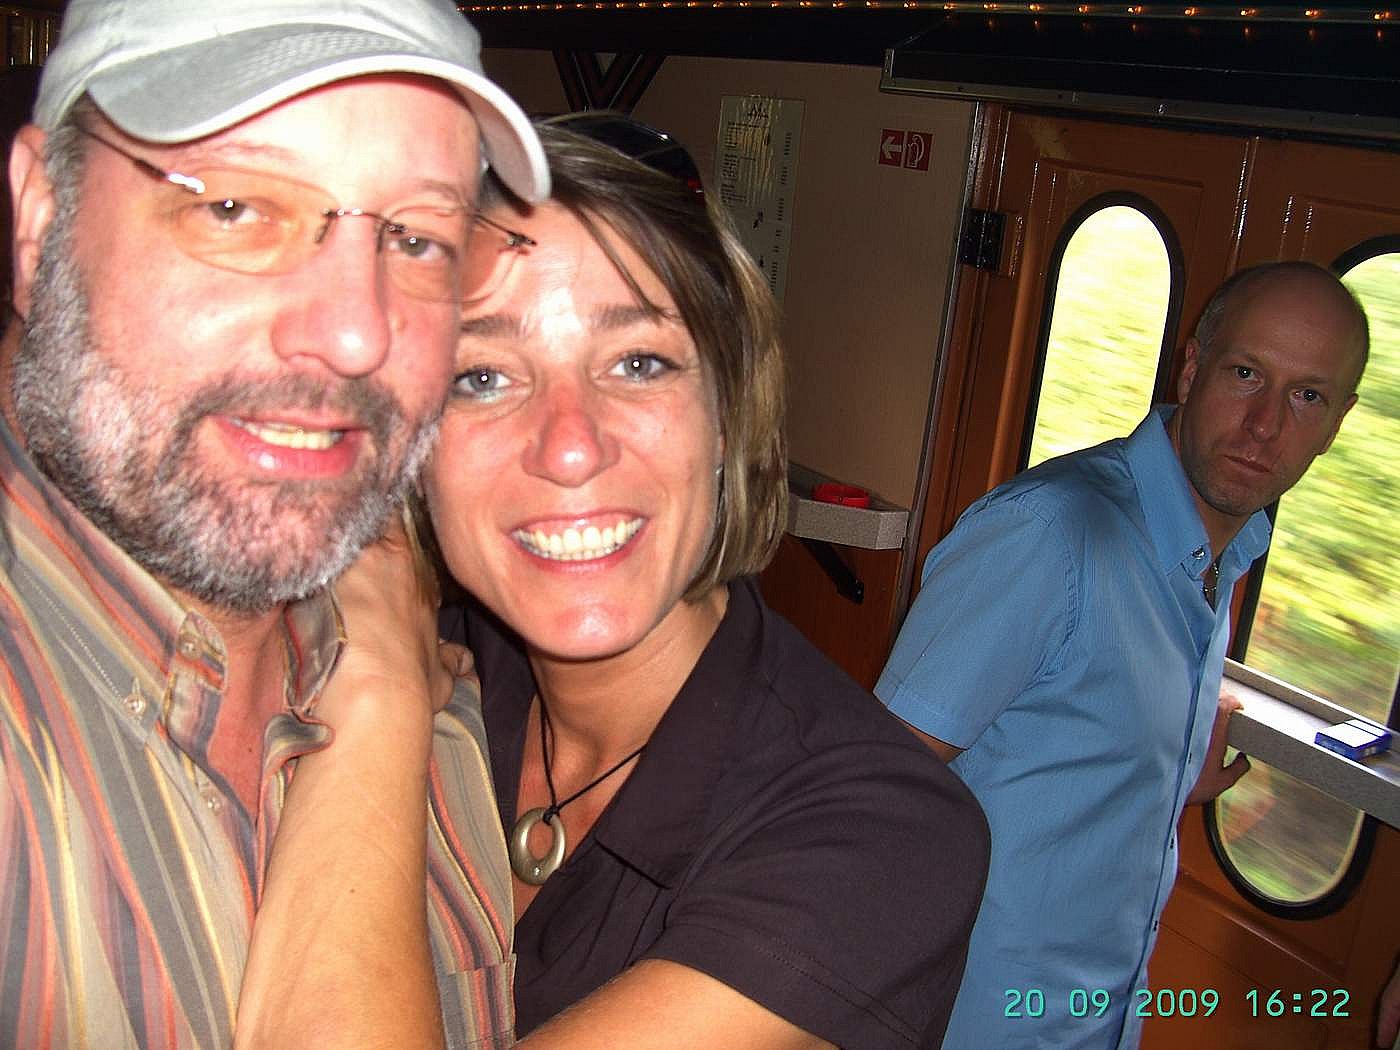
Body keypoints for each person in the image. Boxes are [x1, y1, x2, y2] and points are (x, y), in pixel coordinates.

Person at [262, 113, 991, 1048]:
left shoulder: (886, 838)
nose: (570, 446)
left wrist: (374, 695)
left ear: (728, 412)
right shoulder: (429, 655)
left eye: (639, 363)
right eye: (481, 377)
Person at [0, 1, 549, 1047]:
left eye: (418, 238)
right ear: (39, 221)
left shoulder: (440, 707)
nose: (354, 332)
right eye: (237, 208)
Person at [874, 260, 1370, 1049]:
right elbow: (874, 783)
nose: (1265, 426)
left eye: (1306, 396)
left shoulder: (1226, 552)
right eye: (1246, 374)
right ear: (1192, 368)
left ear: (1337, 423)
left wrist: (1166, 770)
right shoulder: (1051, 534)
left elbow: (1067, 729)